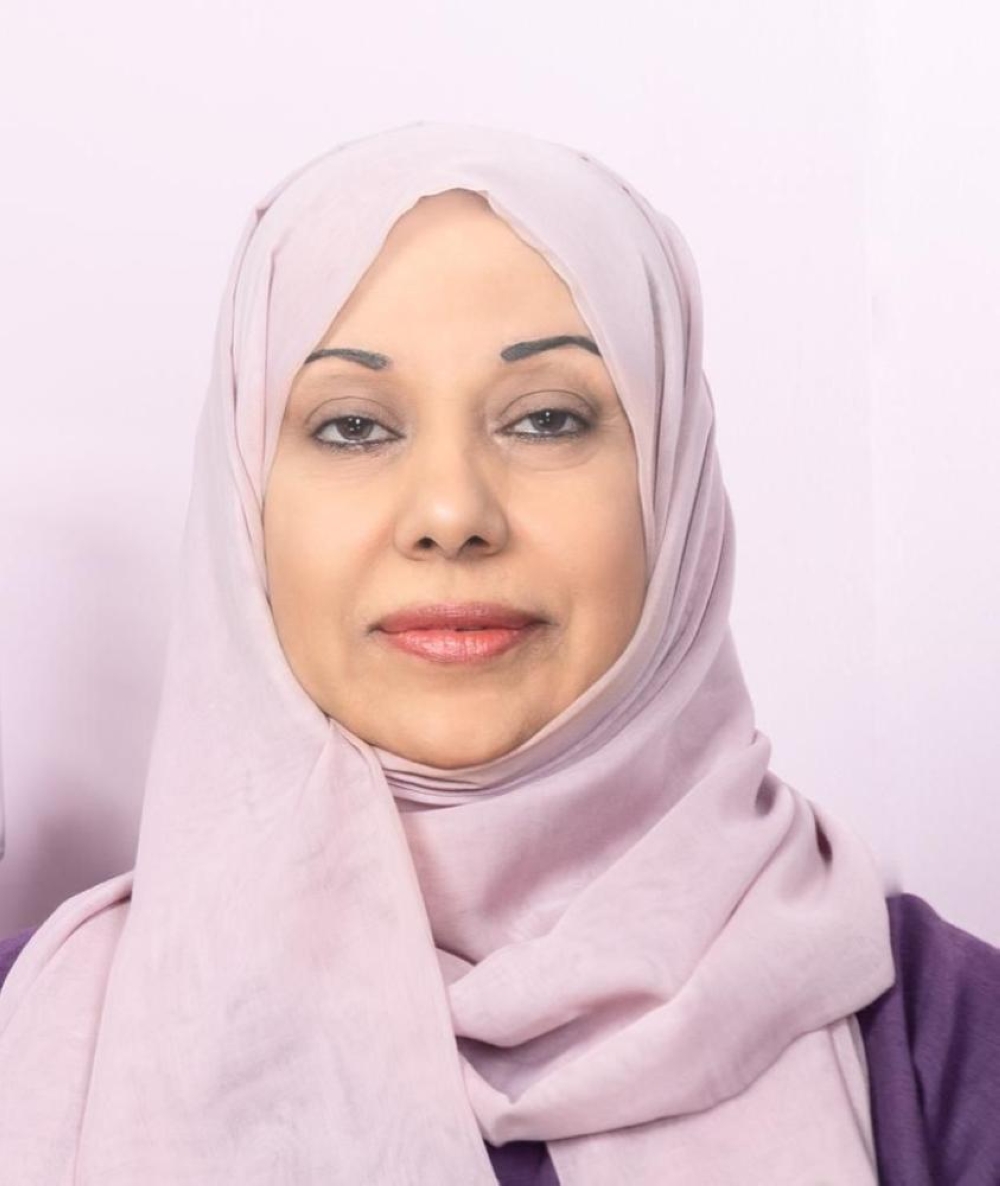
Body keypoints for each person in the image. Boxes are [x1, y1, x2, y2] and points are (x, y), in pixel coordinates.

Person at [0, 120, 997, 1185]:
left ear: (672, 485)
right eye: (352, 427)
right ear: (245, 503)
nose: (450, 513)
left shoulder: (938, 1040)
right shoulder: (42, 1033)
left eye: (547, 419)